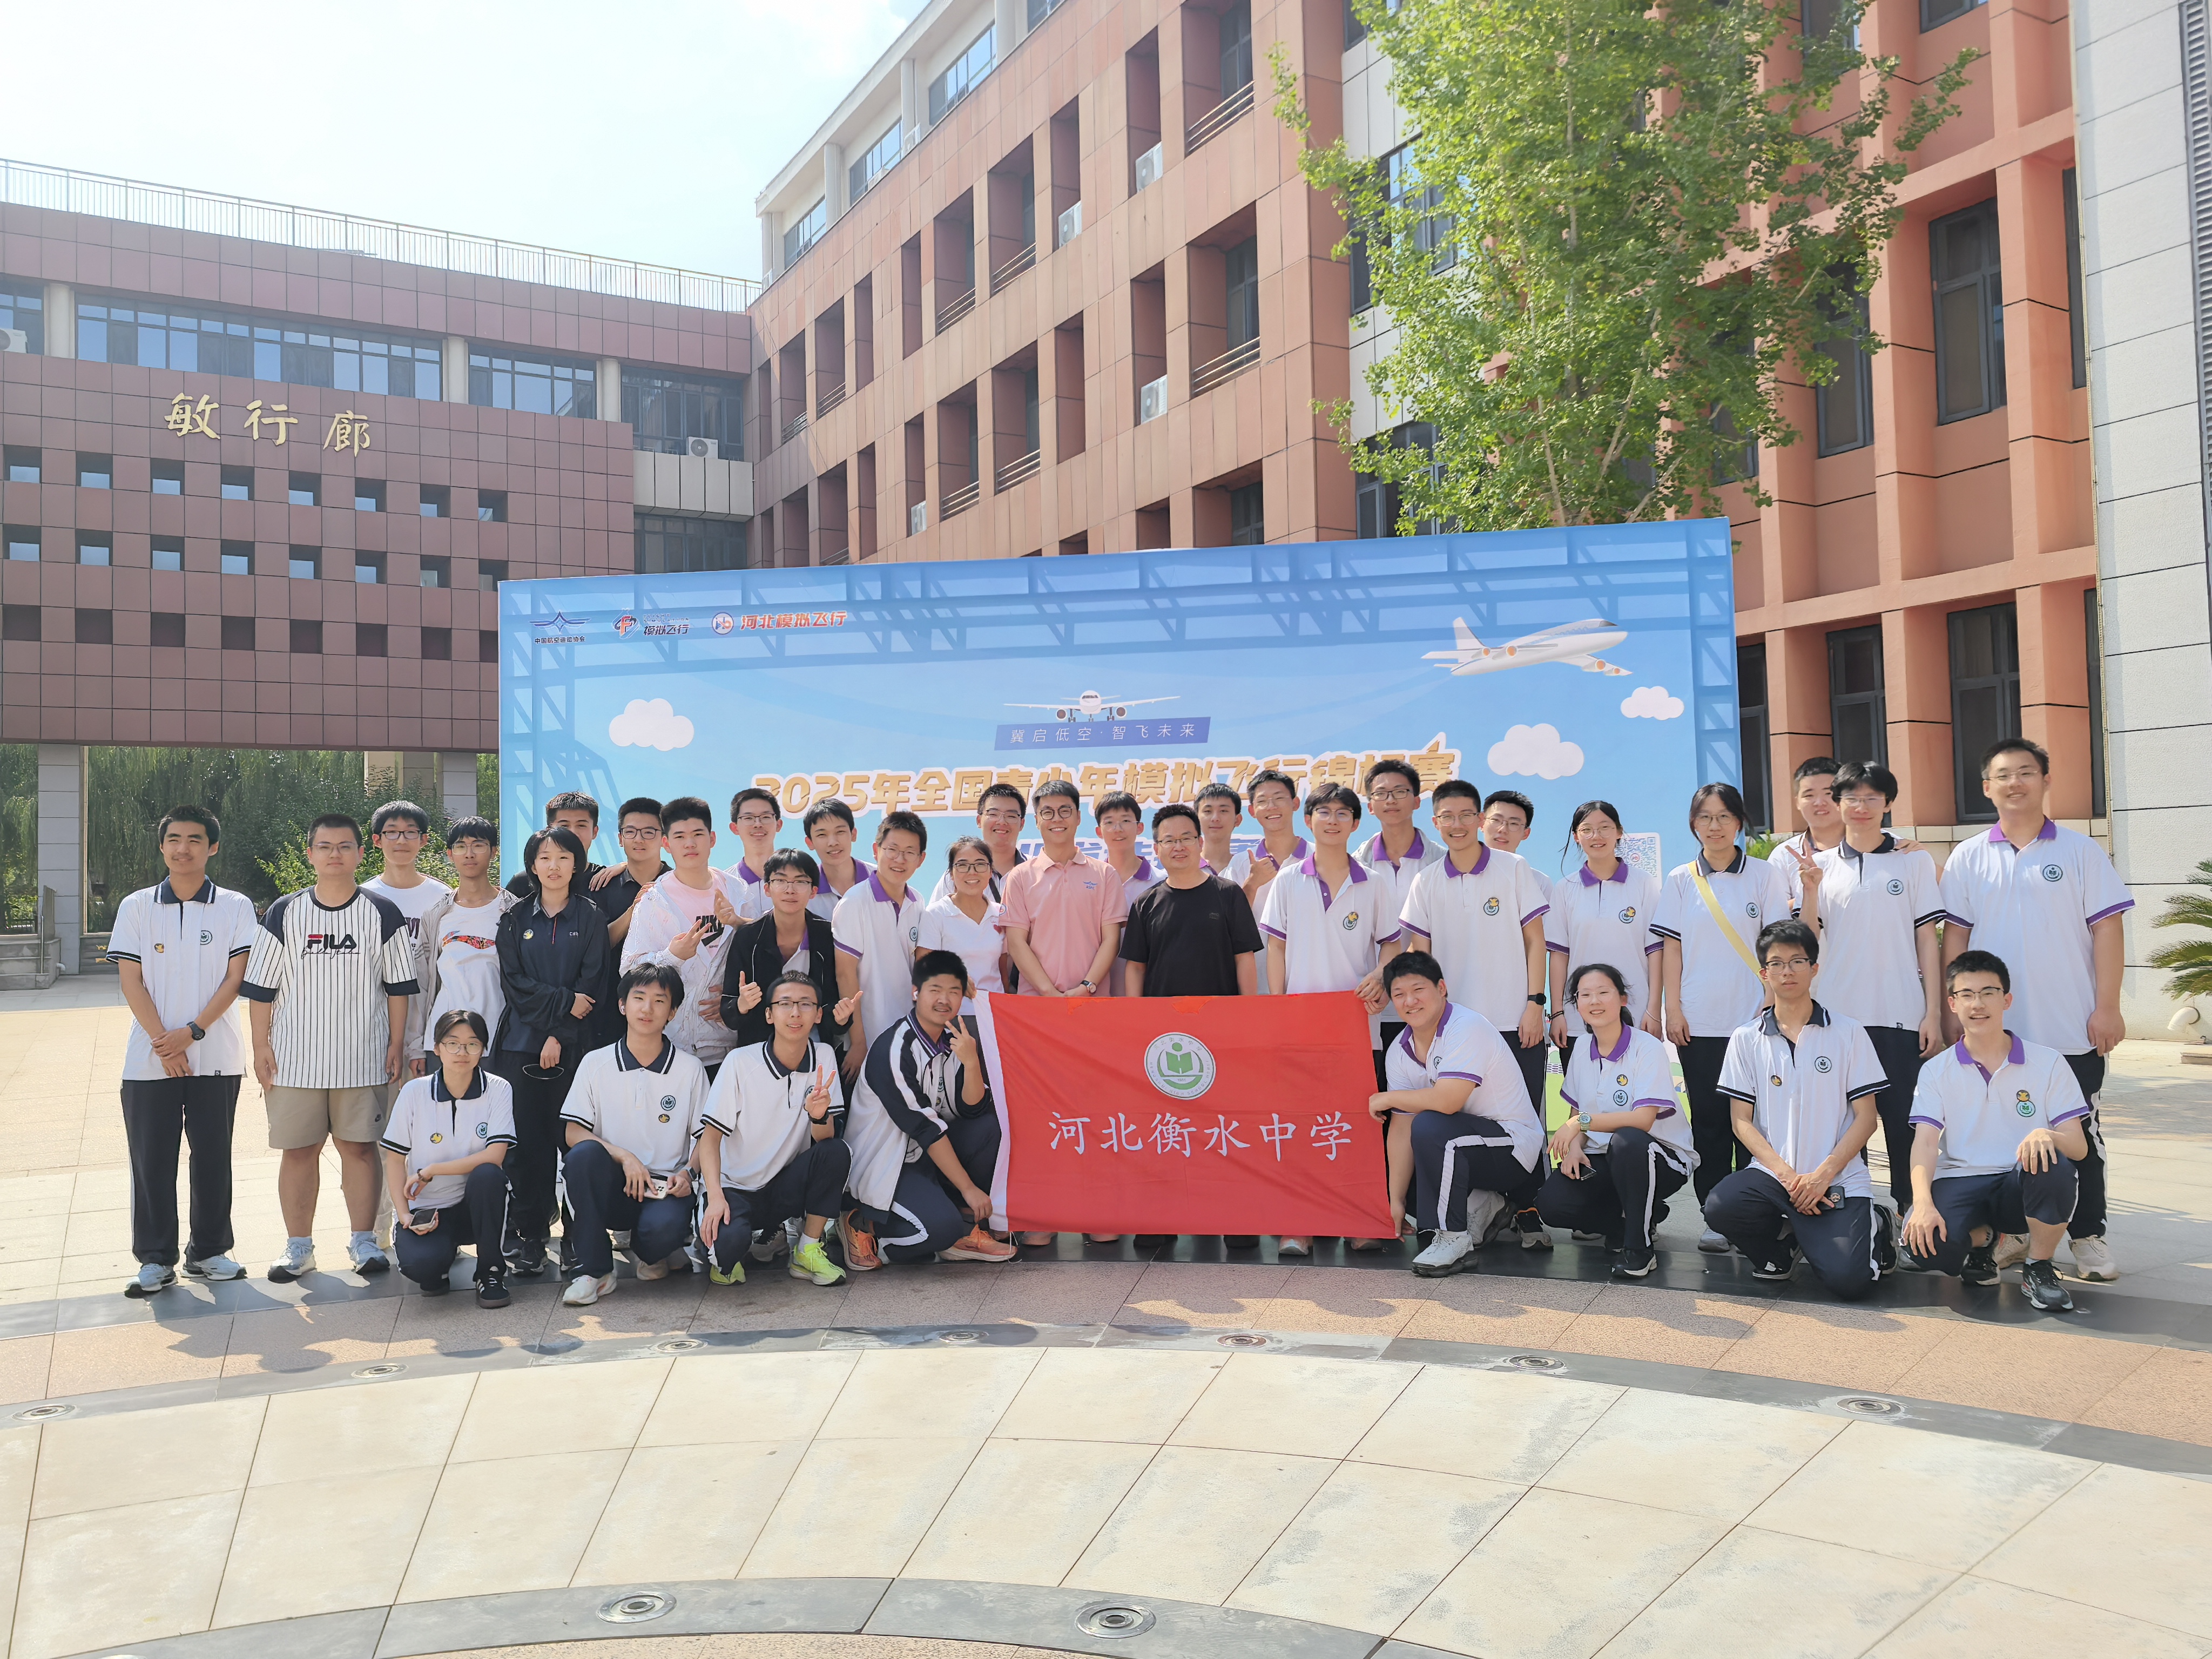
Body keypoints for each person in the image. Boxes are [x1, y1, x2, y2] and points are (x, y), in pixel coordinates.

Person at [1938, 737, 2130, 1282]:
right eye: (2003, 775)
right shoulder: (1969, 856)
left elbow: (2108, 929)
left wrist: (2108, 1007)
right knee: (2001, 1135)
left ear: (2046, 780)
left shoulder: (2080, 852)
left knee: (2081, 1137)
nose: (2014, 783)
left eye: (2026, 772)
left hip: (2069, 1028)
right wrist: (1954, 1011)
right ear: (1987, 788)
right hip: (1994, 1034)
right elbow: (1956, 937)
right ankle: (2016, 1234)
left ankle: (2087, 1236)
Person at [242, 812, 417, 1282]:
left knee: (359, 1150)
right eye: (324, 846)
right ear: (310, 854)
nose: (334, 854)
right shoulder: (284, 912)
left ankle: (364, 1241)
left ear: (361, 853)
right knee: (298, 1152)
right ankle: (299, 1247)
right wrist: (260, 1046)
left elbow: (399, 987)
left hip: (362, 1059)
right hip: (294, 1061)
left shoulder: (382, 913)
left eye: (344, 846)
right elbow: (261, 988)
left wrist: (396, 1042)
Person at [110, 806, 257, 1297]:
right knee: (151, 1160)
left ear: (212, 847)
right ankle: (155, 1259)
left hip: (216, 1055)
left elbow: (236, 978)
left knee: (213, 1156)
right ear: (162, 846)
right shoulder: (137, 906)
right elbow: (131, 981)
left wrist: (191, 1033)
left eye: (195, 839)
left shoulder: (235, 906)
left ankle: (209, 1251)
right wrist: (164, 1042)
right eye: (174, 839)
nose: (183, 848)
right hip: (149, 1060)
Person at [1705, 921, 1892, 1298]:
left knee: (1849, 1282)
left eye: (1797, 962)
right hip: (1776, 1177)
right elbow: (1741, 1122)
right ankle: (1781, 1250)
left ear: (1814, 968)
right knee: (1722, 1206)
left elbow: (1867, 1118)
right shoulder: (1746, 1039)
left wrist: (1822, 1175)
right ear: (1764, 974)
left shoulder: (1849, 1032)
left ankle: (1878, 1223)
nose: (1787, 971)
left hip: (1837, 1178)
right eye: (1776, 964)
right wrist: (1789, 1177)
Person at [1792, 761, 1944, 1216]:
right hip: (1836, 1018)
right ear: (1838, 804)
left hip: (1900, 1014)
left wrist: (1933, 1012)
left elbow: (1927, 941)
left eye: (1871, 798)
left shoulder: (1913, 861)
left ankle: (1910, 1212)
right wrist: (1811, 890)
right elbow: (1807, 943)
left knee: (1903, 1122)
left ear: (1888, 803)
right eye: (1851, 798)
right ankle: (1849, 1212)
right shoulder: (1818, 867)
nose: (1861, 807)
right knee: (1840, 1123)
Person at [1902, 949, 2090, 1312]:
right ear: (1953, 1003)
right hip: (1961, 1178)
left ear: (2007, 1000)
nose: (1978, 1004)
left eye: (1988, 993)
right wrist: (1922, 1204)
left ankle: (2039, 1267)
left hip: (2019, 1182)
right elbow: (1925, 1143)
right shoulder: (1936, 1071)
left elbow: (2079, 1147)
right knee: (1923, 1247)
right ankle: (1985, 1242)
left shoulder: (2048, 1062)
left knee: (2055, 1162)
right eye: (1967, 995)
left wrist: (2048, 1135)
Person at [1649, 782, 1793, 1250]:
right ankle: (1714, 1214)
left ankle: (1757, 1212)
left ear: (1739, 822)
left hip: (1755, 1020)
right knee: (1710, 1122)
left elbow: (1776, 943)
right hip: (1699, 1023)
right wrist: (1673, 1007)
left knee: (1758, 1123)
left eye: (1725, 816)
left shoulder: (1765, 875)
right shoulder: (1681, 878)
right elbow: (1672, 948)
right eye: (1706, 817)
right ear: (1694, 824)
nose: (1715, 826)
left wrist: (1771, 998)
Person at [1259, 781, 1401, 1255]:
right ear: (1309, 820)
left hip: (1357, 1024)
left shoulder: (1374, 883)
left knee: (1358, 1124)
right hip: (1300, 1023)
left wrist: (1380, 976)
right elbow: (1275, 947)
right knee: (1301, 1125)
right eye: (1324, 812)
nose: (1334, 820)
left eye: (1343, 813)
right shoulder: (1288, 880)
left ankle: (1357, 1219)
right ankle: (1299, 1222)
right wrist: (1279, 1007)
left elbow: (1391, 944)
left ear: (1356, 823)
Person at [1397, 780, 1553, 1168]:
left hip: (1514, 1021)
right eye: (1447, 817)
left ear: (1479, 819)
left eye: (1466, 815)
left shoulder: (1513, 868)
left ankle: (1529, 1200)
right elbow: (1421, 957)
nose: (1458, 824)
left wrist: (1535, 1004)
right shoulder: (1426, 881)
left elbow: (1536, 940)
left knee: (1523, 1122)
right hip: (1454, 1028)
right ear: (1435, 822)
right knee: (1460, 1122)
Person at [1370, 952, 1545, 1278]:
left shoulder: (1466, 1026)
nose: (1410, 1001)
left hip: (1511, 1149)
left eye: (1418, 990)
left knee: (1431, 1125)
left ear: (1442, 988)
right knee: (1410, 1175)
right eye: (1399, 994)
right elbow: (1401, 1129)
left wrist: (1387, 1097)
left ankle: (1454, 1239)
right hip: (1464, 1145)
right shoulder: (1400, 1050)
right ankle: (1485, 1208)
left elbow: (1448, 1102)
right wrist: (1397, 1201)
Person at [841, 952, 1017, 1269]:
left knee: (992, 1128)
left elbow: (974, 1109)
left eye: (954, 991)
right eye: (935, 990)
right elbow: (926, 1128)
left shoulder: (954, 1040)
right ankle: (862, 1223)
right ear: (916, 992)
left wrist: (972, 1062)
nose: (944, 1000)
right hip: (888, 1164)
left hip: (927, 1157)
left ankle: (965, 1229)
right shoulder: (895, 1049)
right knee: (939, 1231)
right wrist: (969, 1189)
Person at [491, 825, 610, 1276]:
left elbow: (592, 985)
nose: (554, 866)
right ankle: (532, 1236)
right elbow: (515, 986)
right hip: (520, 1046)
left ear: (577, 864)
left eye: (563, 857)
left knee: (574, 1142)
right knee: (529, 1146)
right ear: (532, 865)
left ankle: (578, 1236)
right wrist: (559, 1010)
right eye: (544, 857)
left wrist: (558, 1035)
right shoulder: (514, 918)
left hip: (576, 1047)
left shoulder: (591, 916)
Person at [558, 963, 709, 1306]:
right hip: (613, 1183)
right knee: (581, 1157)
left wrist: (689, 1173)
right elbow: (573, 1131)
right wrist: (625, 1157)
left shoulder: (689, 1069)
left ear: (672, 1012)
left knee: (662, 1233)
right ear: (623, 1005)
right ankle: (595, 1271)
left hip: (665, 1188)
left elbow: (705, 1137)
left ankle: (655, 1251)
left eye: (660, 1000)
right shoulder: (595, 1063)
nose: (647, 1008)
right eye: (639, 998)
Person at [1538, 962, 1697, 1278]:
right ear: (1577, 1004)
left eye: (1603, 993)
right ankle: (1634, 1219)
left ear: (1622, 999)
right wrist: (1575, 1147)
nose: (1594, 1001)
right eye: (1585, 995)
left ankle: (1639, 1248)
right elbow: (1576, 1111)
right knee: (1552, 1205)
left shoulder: (1647, 1047)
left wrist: (1580, 1124)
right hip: (1604, 1156)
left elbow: (1642, 1121)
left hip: (1659, 1157)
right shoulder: (1581, 1047)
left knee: (1628, 1141)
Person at [698, 970, 854, 1289]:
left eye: (806, 1004)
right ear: (769, 1014)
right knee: (727, 1255)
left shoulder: (824, 1056)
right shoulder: (740, 1062)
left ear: (819, 1014)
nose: (795, 1013)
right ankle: (732, 1239)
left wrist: (818, 1116)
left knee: (838, 1152)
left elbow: (825, 1141)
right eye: (785, 1004)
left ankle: (807, 1250)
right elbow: (710, 1139)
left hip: (783, 1187)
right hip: (735, 1188)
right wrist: (715, 1197)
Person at [381, 1010, 515, 1307]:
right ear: (437, 1048)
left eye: (472, 1044)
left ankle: (490, 1272)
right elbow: (395, 1159)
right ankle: (439, 1262)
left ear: (483, 1049)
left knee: (489, 1175)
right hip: (429, 1209)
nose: (462, 1052)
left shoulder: (498, 1089)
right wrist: (404, 1215)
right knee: (423, 1267)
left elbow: (495, 1155)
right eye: (452, 1043)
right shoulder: (414, 1092)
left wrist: (433, 1170)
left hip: (474, 1207)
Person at [620, 797, 745, 1073]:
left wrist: (732, 1002)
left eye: (698, 834)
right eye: (680, 836)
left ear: (712, 839)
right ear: (666, 844)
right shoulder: (654, 901)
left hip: (728, 1049)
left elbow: (758, 958)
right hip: (669, 1049)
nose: (690, 843)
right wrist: (671, 957)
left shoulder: (738, 892)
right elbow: (629, 970)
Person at [1001, 780, 1128, 1001]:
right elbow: (1016, 942)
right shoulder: (1020, 877)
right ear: (1037, 820)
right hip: (1037, 1003)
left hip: (1092, 1002)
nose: (1057, 819)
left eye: (1065, 811)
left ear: (1078, 817)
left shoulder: (1105, 874)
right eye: (1048, 812)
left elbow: (1111, 939)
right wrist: (1048, 992)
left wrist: (1087, 986)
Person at [1546, 800, 1661, 1043]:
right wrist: (1558, 1013)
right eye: (1587, 830)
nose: (1596, 836)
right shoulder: (1565, 888)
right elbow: (1559, 956)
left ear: (1619, 832)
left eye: (1605, 828)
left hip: (1637, 1015)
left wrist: (1654, 1009)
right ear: (1576, 837)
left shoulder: (1644, 884)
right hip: (1579, 1018)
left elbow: (1655, 952)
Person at [722, 849, 856, 1054]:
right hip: (758, 1052)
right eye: (780, 881)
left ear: (813, 891)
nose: (790, 890)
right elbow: (729, 1012)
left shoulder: (827, 937)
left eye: (800, 882)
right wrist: (742, 1005)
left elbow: (831, 1010)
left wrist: (842, 1019)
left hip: (815, 1051)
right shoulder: (748, 938)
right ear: (767, 889)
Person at [1122, 804, 1262, 997]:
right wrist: (1137, 1012)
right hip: (1163, 1015)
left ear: (1200, 843)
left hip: (1218, 1011)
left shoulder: (1229, 894)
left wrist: (1247, 1006)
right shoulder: (1145, 904)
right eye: (1169, 841)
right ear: (1156, 849)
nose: (1179, 847)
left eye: (1187, 838)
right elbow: (1136, 967)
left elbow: (1244, 957)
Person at [415, 816, 517, 1070]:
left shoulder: (514, 911)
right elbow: (423, 984)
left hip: (498, 1037)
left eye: (478, 845)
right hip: (443, 1038)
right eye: (461, 846)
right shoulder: (437, 914)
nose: (469, 854)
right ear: (450, 854)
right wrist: (415, 1045)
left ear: (494, 851)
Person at [834, 810, 929, 1078]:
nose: (900, 859)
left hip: (909, 1035)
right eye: (892, 850)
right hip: (869, 1036)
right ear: (876, 851)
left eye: (910, 852)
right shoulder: (855, 902)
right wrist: (858, 1042)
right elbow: (845, 973)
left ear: (921, 860)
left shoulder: (918, 902)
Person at [916, 835, 1010, 1013]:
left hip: (994, 1014)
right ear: (951, 874)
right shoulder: (936, 914)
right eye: (962, 865)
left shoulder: (1001, 914)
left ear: (991, 872)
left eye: (980, 864)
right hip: (951, 1015)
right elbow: (924, 968)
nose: (972, 872)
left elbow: (1002, 970)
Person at [1095, 790, 1163, 995]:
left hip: (1149, 993)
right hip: (1096, 992)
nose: (1118, 829)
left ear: (1139, 827)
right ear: (1099, 831)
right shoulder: (1091, 881)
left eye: (1126, 821)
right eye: (1109, 822)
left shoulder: (1161, 881)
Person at [929, 782, 1029, 904]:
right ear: (979, 821)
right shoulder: (959, 873)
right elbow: (936, 914)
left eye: (1011, 816)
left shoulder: (1037, 872)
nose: (1002, 822)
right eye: (993, 814)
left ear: (1022, 824)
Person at [1238, 769, 1309, 934]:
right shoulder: (1240, 863)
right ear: (1252, 811)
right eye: (1262, 801)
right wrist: (1251, 885)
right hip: (1257, 952)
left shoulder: (1318, 857)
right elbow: (1226, 921)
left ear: (1295, 803)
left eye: (1279, 798)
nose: (1271, 807)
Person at [803, 798, 872, 922]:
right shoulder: (804, 891)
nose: (833, 842)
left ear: (853, 835)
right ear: (810, 842)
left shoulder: (881, 879)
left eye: (840, 832)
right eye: (822, 835)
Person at [722, 787, 784, 920]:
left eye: (766, 817)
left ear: (778, 825)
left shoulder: (797, 880)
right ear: (735, 828)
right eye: (749, 818)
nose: (758, 824)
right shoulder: (725, 884)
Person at [1480, 791, 1549, 903]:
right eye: (1496, 820)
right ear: (1482, 823)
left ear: (1526, 833)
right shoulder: (1461, 875)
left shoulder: (1540, 883)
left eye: (1514, 824)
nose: (1503, 829)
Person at [1196, 781, 1250, 882]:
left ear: (1237, 820)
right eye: (1208, 811)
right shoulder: (1184, 867)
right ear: (1196, 819)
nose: (1215, 818)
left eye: (1223, 811)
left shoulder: (1247, 868)